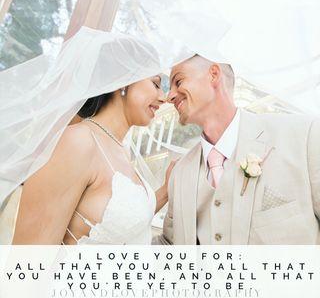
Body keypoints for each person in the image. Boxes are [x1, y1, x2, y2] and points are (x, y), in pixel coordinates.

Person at [157, 54, 320, 244]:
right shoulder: (179, 174)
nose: (170, 96)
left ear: (214, 74)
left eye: (178, 81)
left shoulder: (303, 135)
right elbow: (170, 248)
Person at [13, 75, 175, 245]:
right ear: (124, 79)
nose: (163, 97)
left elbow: (124, 223)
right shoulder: (76, 142)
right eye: (156, 84)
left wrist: (166, 191)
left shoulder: (121, 150)